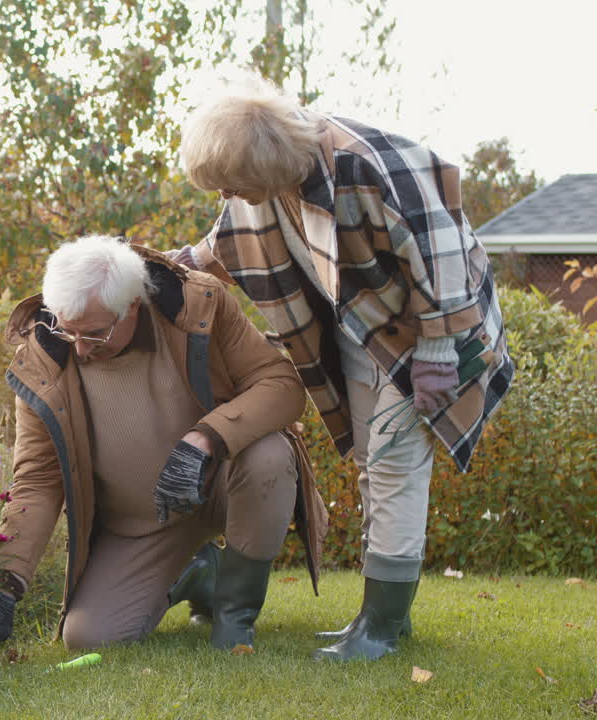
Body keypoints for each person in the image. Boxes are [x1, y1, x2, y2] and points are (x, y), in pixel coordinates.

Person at [169, 90, 515, 661]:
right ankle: (383, 621)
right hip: (362, 330)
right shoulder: (271, 179)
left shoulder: (364, 164)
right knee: (370, 465)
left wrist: (436, 350)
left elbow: (443, 246)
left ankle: (379, 629)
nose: (227, 196)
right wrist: (185, 265)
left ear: (265, 164)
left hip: (429, 334)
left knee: (396, 464)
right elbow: (230, 238)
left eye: (230, 183)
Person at [0, 235, 325, 656]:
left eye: (94, 334)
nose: (79, 348)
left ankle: (234, 618)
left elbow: (281, 386)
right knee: (89, 636)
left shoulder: (199, 303)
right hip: (138, 525)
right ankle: (195, 571)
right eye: (67, 329)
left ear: (132, 304)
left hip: (223, 484)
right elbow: (38, 481)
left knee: (269, 455)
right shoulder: (42, 358)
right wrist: (4, 584)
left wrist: (204, 438)